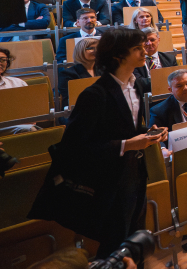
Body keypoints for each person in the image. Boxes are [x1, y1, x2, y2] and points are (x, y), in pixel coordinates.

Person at [28, 28, 169, 258]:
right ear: (118, 56)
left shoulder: (136, 86)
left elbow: (127, 130)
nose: (145, 51)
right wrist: (127, 145)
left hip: (135, 174)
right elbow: (74, 148)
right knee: (114, 248)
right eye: (137, 48)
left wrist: (149, 133)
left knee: (136, 241)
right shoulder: (94, 95)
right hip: (108, 183)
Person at [132, 28, 177, 95]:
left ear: (158, 40)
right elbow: (139, 82)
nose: (149, 43)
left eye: (152, 40)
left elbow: (176, 78)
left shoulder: (170, 59)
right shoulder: (134, 61)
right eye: (145, 41)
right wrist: (165, 81)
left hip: (168, 94)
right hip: (145, 95)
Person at [58, 37, 98, 108]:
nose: (96, 51)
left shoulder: (104, 70)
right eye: (91, 48)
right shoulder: (67, 74)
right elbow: (72, 98)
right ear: (80, 51)